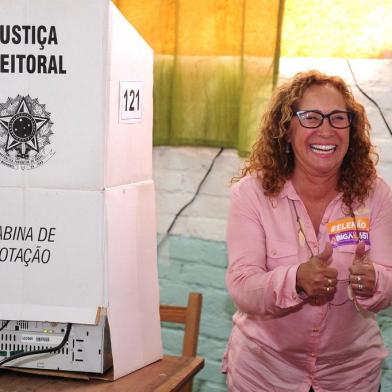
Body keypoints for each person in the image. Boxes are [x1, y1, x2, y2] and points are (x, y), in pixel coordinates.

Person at [222, 70, 392, 392]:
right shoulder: (252, 194)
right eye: (311, 117)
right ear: (286, 130)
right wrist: (296, 279)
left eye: (338, 118)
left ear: (351, 130)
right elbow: (243, 286)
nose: (326, 130)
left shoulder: (376, 195)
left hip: (350, 378)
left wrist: (376, 281)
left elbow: (389, 275)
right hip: (264, 376)